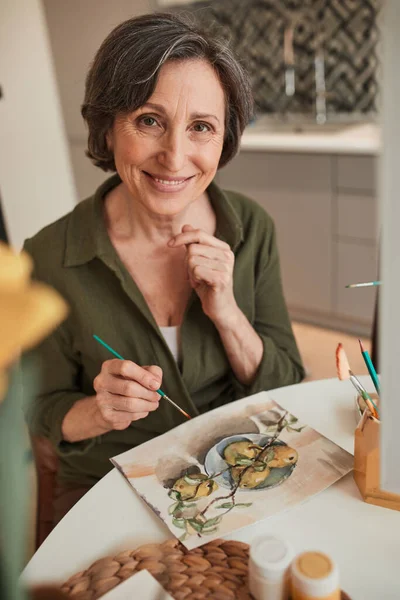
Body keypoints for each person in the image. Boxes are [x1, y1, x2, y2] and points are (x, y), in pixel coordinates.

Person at [23, 12, 304, 524]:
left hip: (239, 471)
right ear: (108, 128)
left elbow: (286, 382)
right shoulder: (46, 257)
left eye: (201, 127)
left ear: (225, 139)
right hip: (109, 485)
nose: (175, 157)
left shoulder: (251, 228)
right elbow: (41, 408)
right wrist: (97, 410)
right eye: (149, 120)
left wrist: (227, 315)